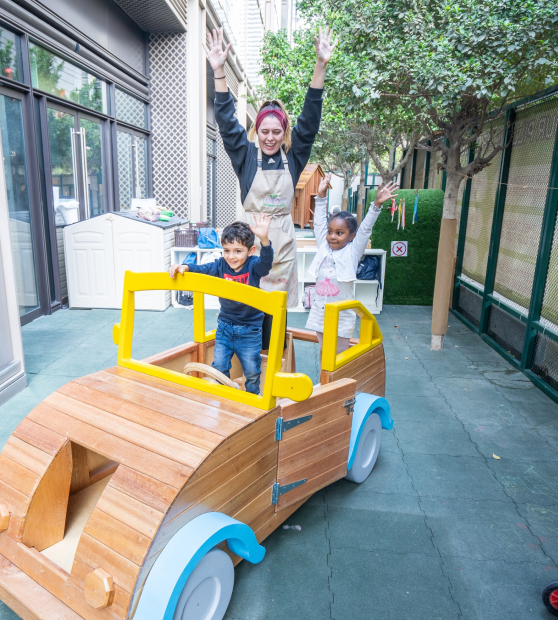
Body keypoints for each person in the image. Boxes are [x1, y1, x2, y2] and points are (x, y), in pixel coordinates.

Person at [206, 26, 334, 345]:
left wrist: (321, 67)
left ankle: (272, 362)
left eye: (277, 131)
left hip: (282, 246)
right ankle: (251, 366)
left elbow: (309, 122)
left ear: (284, 133)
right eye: (264, 130)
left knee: (275, 314)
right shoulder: (245, 156)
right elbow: (225, 121)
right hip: (250, 243)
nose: (270, 137)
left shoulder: (294, 157)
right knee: (247, 308)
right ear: (257, 130)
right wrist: (219, 70)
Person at [169, 214, 273, 394]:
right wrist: (186, 266)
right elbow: (204, 270)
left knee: (252, 370)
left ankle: (252, 398)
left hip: (250, 329)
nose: (231, 256)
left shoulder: (254, 266)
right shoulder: (220, 266)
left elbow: (266, 263)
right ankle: (223, 398)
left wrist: (265, 240)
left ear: (250, 250)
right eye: (226, 250)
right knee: (219, 367)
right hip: (225, 326)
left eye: (238, 251)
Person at [307, 176, 398, 363]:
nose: (332, 236)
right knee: (324, 351)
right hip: (320, 310)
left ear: (351, 236)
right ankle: (326, 387)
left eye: (339, 233)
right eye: (330, 231)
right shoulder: (323, 246)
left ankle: (338, 387)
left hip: (341, 313)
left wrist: (376, 205)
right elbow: (318, 223)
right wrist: (321, 194)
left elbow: (365, 229)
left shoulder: (352, 252)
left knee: (339, 355)